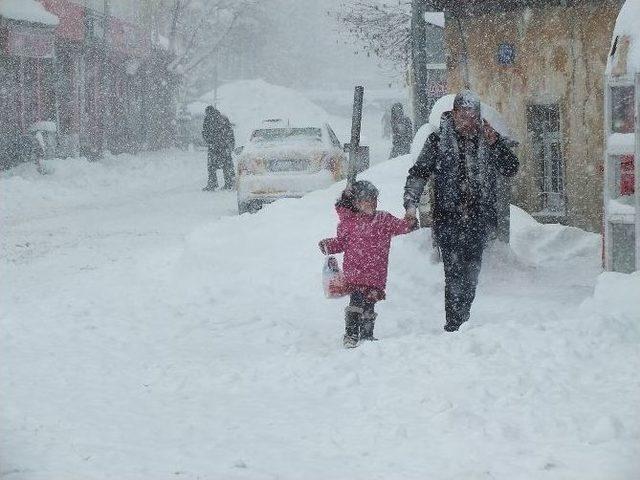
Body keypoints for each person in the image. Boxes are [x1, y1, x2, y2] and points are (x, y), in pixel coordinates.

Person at [403, 90, 519, 332]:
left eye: (473, 116)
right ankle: (454, 324)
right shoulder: (437, 140)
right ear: (454, 114)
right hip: (448, 218)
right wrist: (411, 205)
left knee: (471, 275)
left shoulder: (487, 139)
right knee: (454, 273)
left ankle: (463, 319)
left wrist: (495, 142)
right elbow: (419, 173)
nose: (469, 122)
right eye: (464, 116)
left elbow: (510, 168)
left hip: (478, 218)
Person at [319, 181, 417, 348]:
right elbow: (342, 243)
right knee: (356, 302)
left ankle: (367, 336)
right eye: (366, 200)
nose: (371, 203)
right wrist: (329, 245)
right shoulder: (348, 223)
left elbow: (402, 227)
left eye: (374, 199)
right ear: (356, 203)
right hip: (355, 274)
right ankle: (351, 335)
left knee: (369, 306)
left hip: (375, 275)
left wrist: (410, 221)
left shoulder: (383, 219)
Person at [202, 105, 235, 191]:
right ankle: (230, 183)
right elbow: (230, 132)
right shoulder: (223, 118)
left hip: (214, 147)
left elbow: (204, 133)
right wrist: (231, 144)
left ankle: (213, 184)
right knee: (227, 165)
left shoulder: (208, 119)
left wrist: (210, 141)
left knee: (211, 166)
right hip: (224, 146)